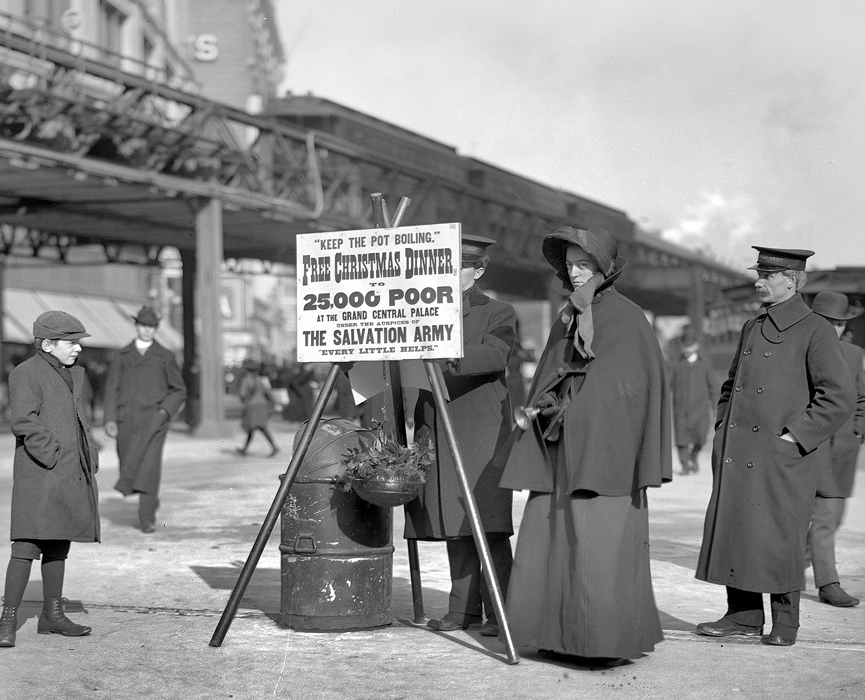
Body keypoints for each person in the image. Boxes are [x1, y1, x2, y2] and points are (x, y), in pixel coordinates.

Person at [498, 226, 672, 663]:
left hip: (602, 453)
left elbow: (630, 391)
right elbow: (550, 374)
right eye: (570, 265)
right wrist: (548, 405)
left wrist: (577, 412)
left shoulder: (627, 317)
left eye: (584, 265)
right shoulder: (571, 314)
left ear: (604, 269)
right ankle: (554, 636)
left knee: (597, 543)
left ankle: (599, 643)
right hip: (560, 445)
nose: (575, 274)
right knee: (552, 535)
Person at [695, 247, 855, 647]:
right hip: (738, 452)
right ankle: (743, 617)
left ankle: (786, 624)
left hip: (782, 456)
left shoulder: (814, 328)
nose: (758, 281)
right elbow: (731, 386)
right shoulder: (753, 326)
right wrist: (721, 428)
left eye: (767, 274)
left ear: (793, 281)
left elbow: (837, 397)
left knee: (779, 536)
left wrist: (795, 437)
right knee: (739, 531)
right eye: (759, 273)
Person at [404, 233, 517, 637]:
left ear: (478, 270)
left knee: (488, 524)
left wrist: (441, 350)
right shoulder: (421, 310)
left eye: (458, 268)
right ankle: (463, 611)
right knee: (456, 522)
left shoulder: (497, 311)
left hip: (481, 431)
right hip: (438, 424)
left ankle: (501, 612)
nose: (448, 276)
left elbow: (496, 354)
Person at [0, 311, 100, 648]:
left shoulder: (73, 374)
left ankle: (52, 615)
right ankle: (8, 618)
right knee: (26, 545)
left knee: (59, 542)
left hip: (70, 470)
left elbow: (78, 420)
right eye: (71, 343)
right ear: (47, 344)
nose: (77, 350)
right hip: (40, 471)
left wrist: (89, 453)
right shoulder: (25, 374)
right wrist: (53, 454)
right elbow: (25, 422)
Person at [103, 306, 186, 533]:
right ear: (136, 326)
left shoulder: (166, 356)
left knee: (149, 468)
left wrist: (164, 412)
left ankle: (146, 517)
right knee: (130, 462)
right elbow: (112, 388)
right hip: (126, 421)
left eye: (151, 327)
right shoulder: (122, 355)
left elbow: (178, 390)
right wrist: (109, 418)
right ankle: (149, 501)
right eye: (143, 326)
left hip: (154, 422)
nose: (147, 331)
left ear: (156, 328)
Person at [805, 292, 865, 607]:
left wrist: (858, 431)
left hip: (843, 449)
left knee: (834, 517)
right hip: (810, 447)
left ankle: (793, 563)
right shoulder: (801, 350)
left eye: (840, 324)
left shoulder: (854, 354)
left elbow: (862, 399)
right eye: (828, 322)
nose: (834, 329)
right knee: (825, 517)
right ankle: (828, 583)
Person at [668, 325, 717, 475]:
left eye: (690, 345)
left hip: (700, 410)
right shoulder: (675, 365)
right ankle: (684, 465)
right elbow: (667, 385)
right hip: (681, 409)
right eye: (685, 346)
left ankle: (693, 457)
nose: (687, 349)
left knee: (701, 437)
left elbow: (713, 387)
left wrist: (715, 406)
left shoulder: (705, 364)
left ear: (696, 345)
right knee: (681, 439)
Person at [236, 360, 280, 457]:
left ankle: (274, 447)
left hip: (252, 406)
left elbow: (242, 394)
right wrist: (274, 402)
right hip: (262, 405)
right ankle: (244, 449)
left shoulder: (246, 379)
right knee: (255, 427)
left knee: (256, 427)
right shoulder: (259, 379)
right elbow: (268, 392)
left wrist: (244, 400)